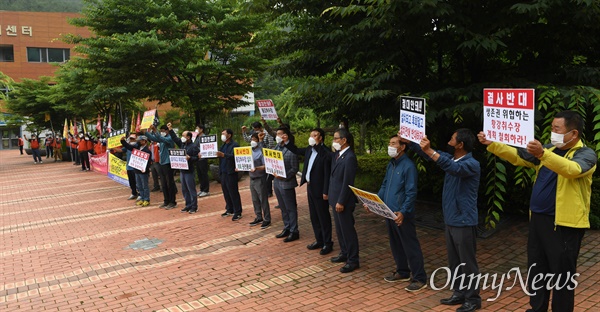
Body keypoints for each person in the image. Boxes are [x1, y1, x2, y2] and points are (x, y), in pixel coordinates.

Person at [478, 110, 596, 312]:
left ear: (573, 134)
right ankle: (537, 308)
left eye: (557, 129)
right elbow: (518, 156)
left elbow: (572, 170)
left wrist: (542, 154)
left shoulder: (585, 154)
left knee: (562, 276)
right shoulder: (549, 148)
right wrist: (493, 144)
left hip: (564, 225)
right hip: (538, 221)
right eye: (551, 128)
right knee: (537, 269)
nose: (552, 133)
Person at [407, 129, 481, 312]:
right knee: (454, 261)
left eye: (452, 138)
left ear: (461, 145)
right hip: (451, 219)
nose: (449, 140)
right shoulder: (451, 158)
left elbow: (452, 168)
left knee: (467, 262)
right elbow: (432, 156)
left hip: (464, 220)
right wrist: (410, 142)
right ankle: (459, 292)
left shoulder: (471, 164)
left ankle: (473, 298)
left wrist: (431, 151)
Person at [369, 134, 427, 292]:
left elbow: (411, 192)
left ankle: (420, 277)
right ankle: (403, 271)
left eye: (393, 143)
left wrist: (403, 211)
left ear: (402, 147)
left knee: (410, 245)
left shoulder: (408, 166)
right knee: (396, 244)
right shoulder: (391, 164)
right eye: (390, 143)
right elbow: (384, 185)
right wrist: (374, 201)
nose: (390, 146)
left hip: (402, 214)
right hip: (389, 212)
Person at [288, 128, 333, 254]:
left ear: (321, 138)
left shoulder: (325, 152)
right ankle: (319, 240)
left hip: (321, 189)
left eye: (315, 135)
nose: (312, 137)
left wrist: (326, 191)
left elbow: (327, 173)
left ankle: (327, 243)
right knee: (314, 216)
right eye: (311, 135)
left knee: (323, 216)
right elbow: (296, 150)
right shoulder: (309, 149)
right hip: (310, 187)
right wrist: (286, 141)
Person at [328, 128, 359, 273]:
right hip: (335, 198)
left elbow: (348, 182)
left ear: (344, 140)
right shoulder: (338, 155)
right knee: (340, 230)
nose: (334, 141)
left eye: (336, 138)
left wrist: (341, 201)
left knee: (347, 230)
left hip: (343, 201)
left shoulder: (350, 157)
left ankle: (353, 260)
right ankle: (344, 252)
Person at [272, 127, 300, 242]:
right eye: (276, 134)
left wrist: (284, 175)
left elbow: (294, 168)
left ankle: (294, 231)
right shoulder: (277, 147)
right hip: (277, 182)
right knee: (283, 208)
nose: (277, 136)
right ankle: (287, 227)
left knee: (290, 208)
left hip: (287, 183)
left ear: (286, 136)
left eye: (279, 134)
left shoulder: (292, 150)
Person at [168, 126, 200, 214]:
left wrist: (190, 158)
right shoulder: (182, 145)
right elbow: (175, 138)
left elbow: (198, 158)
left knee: (191, 189)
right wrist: (170, 129)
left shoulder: (193, 147)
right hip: (182, 170)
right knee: (184, 189)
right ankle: (188, 205)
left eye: (183, 135)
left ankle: (194, 206)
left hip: (189, 171)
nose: (182, 137)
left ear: (188, 137)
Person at [145, 124, 178, 209]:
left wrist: (155, 130)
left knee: (169, 183)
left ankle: (172, 202)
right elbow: (154, 138)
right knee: (163, 183)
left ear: (167, 131)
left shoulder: (170, 138)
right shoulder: (162, 139)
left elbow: (161, 138)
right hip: (162, 162)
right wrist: (145, 132)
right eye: (161, 131)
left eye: (163, 131)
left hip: (168, 162)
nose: (162, 132)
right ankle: (166, 201)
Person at [216, 129, 243, 220]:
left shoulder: (234, 145)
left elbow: (235, 156)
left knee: (233, 192)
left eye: (224, 133)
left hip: (231, 172)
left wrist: (224, 155)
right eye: (222, 133)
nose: (222, 135)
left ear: (229, 135)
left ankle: (238, 211)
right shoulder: (223, 146)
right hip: (223, 172)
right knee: (226, 192)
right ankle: (229, 209)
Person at [246, 132, 271, 229]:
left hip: (260, 178)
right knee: (255, 199)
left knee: (263, 199)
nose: (253, 141)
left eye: (254, 139)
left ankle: (267, 219)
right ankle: (258, 216)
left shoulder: (261, 152)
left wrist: (256, 168)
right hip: (251, 178)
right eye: (251, 139)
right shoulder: (248, 151)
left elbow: (266, 166)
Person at [120, 135, 152, 207]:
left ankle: (146, 199)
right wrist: (122, 141)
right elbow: (129, 147)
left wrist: (146, 168)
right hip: (136, 170)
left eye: (140, 140)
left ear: (144, 141)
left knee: (145, 186)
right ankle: (142, 198)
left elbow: (149, 162)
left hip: (143, 171)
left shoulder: (147, 151)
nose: (138, 142)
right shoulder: (137, 148)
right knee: (139, 185)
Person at [120, 134, 139, 200]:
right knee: (131, 181)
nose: (131, 140)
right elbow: (121, 150)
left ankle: (140, 194)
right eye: (130, 139)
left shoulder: (136, 146)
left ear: (136, 139)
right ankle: (134, 193)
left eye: (133, 139)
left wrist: (123, 141)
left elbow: (128, 146)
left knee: (137, 181)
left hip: (135, 166)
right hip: (129, 167)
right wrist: (112, 148)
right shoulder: (128, 146)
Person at [194, 125, 210, 197]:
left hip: (203, 158)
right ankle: (202, 189)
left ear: (201, 129)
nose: (196, 129)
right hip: (197, 158)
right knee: (200, 174)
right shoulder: (196, 137)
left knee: (204, 174)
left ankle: (206, 190)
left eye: (197, 128)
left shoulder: (204, 137)